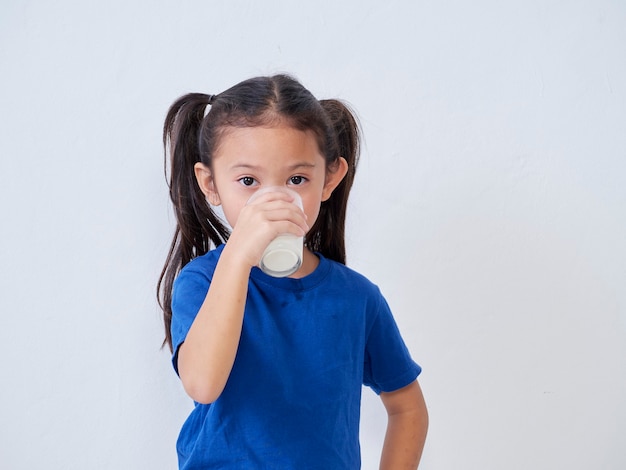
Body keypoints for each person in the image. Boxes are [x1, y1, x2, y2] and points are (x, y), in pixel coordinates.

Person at [158, 74, 428, 469]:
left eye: (297, 179)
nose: (274, 199)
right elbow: (202, 385)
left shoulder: (357, 298)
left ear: (329, 179)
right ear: (210, 184)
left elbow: (408, 408)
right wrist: (237, 258)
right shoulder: (201, 281)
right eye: (248, 181)